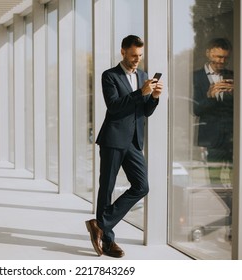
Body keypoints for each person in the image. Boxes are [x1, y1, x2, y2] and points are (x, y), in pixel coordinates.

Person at [85, 35, 163, 258]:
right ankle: (108, 241)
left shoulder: (144, 76)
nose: (137, 60)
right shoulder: (109, 76)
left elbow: (144, 112)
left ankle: (99, 224)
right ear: (122, 52)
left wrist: (154, 98)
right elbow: (114, 107)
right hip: (113, 139)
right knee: (107, 188)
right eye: (133, 56)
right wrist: (141, 93)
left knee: (142, 186)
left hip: (134, 141)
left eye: (140, 56)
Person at [193, 38, 233, 232]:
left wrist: (239, 92)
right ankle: (235, 213)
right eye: (218, 56)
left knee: (238, 179)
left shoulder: (234, 76)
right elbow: (195, 109)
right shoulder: (196, 77)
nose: (221, 61)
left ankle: (236, 218)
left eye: (225, 58)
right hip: (212, 139)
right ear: (209, 53)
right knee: (214, 181)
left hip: (234, 138)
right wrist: (209, 95)